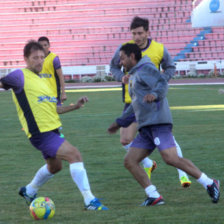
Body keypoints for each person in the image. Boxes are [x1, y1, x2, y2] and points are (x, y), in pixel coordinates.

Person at [0, 40, 108, 211]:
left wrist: (75, 106)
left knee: (55, 166)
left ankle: (29, 190)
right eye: (35, 57)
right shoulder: (19, 75)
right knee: (74, 155)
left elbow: (55, 109)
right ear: (26, 59)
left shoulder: (43, 81)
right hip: (40, 132)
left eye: (42, 57)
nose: (39, 61)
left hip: (54, 130)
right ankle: (90, 200)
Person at [108, 43, 220, 206]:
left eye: (122, 58)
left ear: (132, 57)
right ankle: (153, 196)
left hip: (158, 122)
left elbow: (162, 83)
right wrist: (119, 122)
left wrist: (154, 94)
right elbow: (136, 103)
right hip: (146, 127)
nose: (120, 62)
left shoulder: (145, 68)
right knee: (130, 161)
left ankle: (209, 183)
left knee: (171, 158)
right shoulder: (134, 74)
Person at [110, 16, 191, 187]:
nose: (137, 37)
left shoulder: (159, 49)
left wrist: (161, 82)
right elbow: (113, 66)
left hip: (153, 104)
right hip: (132, 103)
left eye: (140, 33)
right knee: (125, 140)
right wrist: (121, 77)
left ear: (148, 32)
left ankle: (183, 174)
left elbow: (170, 67)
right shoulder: (125, 49)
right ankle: (149, 164)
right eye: (134, 33)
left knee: (167, 141)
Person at [38, 36, 67, 105]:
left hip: (53, 94)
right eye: (41, 45)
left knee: (55, 114)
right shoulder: (36, 59)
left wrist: (63, 93)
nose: (43, 47)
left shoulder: (54, 59)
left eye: (45, 45)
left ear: (49, 45)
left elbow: (60, 76)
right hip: (40, 94)